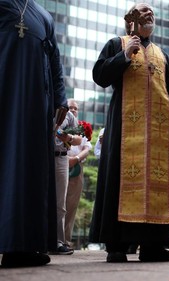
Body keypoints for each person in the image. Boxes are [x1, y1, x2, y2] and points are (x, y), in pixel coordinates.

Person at [89, 3, 169, 263]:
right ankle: (116, 245)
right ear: (131, 17)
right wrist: (125, 56)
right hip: (124, 129)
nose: (149, 12)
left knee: (156, 186)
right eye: (143, 9)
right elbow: (99, 75)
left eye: (152, 10)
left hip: (156, 135)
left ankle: (153, 246)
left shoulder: (163, 55)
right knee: (120, 181)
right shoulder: (116, 43)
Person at [0, 0, 67, 267]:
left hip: (36, 102)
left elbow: (55, 59)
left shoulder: (43, 15)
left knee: (30, 169)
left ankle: (24, 245)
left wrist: (61, 97)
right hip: (6, 87)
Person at [51, 111, 82, 255]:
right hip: (43, 155)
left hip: (61, 157)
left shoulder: (68, 115)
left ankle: (59, 241)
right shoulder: (43, 106)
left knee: (60, 203)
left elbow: (78, 139)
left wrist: (68, 137)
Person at [65, 99, 92, 247]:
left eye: (75, 108)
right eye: (70, 108)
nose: (73, 110)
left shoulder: (82, 127)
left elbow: (87, 148)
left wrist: (75, 159)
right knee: (58, 204)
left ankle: (66, 240)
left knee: (71, 206)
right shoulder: (60, 124)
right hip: (60, 166)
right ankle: (53, 240)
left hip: (77, 169)